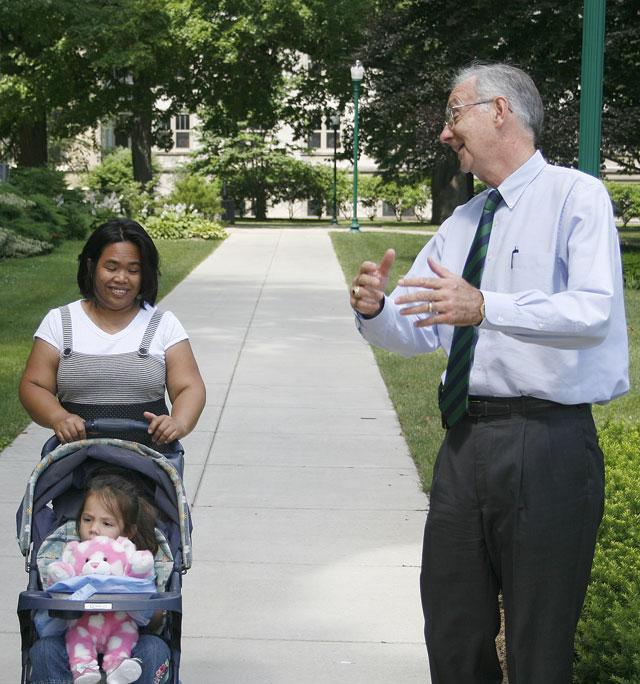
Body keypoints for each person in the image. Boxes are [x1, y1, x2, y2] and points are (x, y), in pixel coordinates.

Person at [349, 63, 629, 683]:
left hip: (548, 441)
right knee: (452, 628)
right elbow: (417, 326)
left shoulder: (575, 197)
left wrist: (487, 306)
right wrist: (374, 310)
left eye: (454, 114)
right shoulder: (464, 220)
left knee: (536, 643)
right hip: (465, 445)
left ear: (499, 111)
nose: (446, 134)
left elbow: (592, 312)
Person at [19, 217, 206, 447]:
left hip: (148, 462)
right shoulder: (60, 322)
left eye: (133, 270)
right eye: (111, 267)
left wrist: (179, 422)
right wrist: (59, 417)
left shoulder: (163, 324)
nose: (121, 278)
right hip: (76, 462)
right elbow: (34, 385)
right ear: (91, 266)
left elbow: (189, 386)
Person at [30, 472, 171, 684]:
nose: (94, 529)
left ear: (128, 531)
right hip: (74, 641)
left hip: (128, 641)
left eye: (107, 523)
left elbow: (156, 621)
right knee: (44, 650)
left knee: (155, 648)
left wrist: (145, 606)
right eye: (87, 520)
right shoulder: (69, 553)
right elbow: (49, 611)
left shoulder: (138, 559)